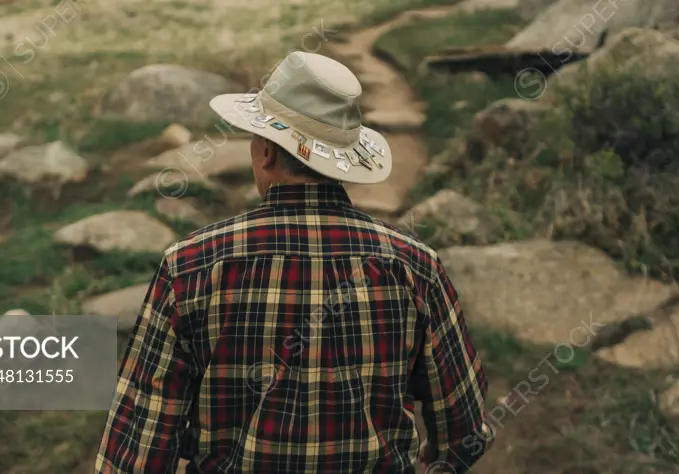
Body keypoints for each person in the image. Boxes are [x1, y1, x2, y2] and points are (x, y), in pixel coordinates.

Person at [95, 51, 493, 473]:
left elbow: (135, 452)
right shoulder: (415, 267)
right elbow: (463, 434)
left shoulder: (190, 267)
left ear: (266, 150)